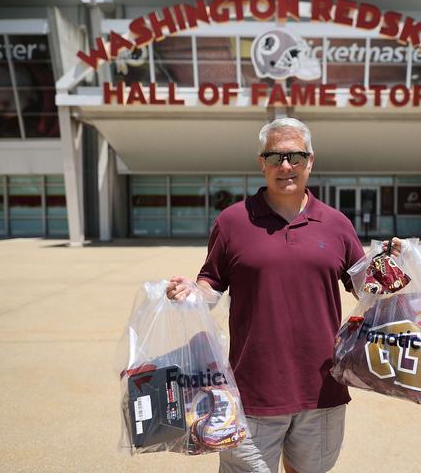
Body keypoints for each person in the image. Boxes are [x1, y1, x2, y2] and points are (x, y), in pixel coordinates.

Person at [166, 118, 401, 473]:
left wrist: (393, 267)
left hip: (322, 391)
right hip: (251, 393)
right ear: (261, 163)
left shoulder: (337, 224)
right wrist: (191, 292)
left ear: (311, 161)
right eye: (275, 157)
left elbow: (364, 288)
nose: (285, 166)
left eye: (294, 156)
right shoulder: (232, 222)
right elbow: (211, 283)